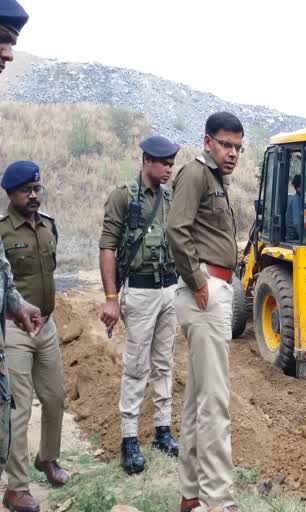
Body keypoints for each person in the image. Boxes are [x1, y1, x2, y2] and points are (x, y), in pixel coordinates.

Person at [168, 112, 242, 512]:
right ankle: (218, 499)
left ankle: (192, 496)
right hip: (206, 292)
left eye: (237, 147)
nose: (232, 153)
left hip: (214, 289)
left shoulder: (217, 179)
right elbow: (175, 229)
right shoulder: (196, 174)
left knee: (198, 400)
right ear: (208, 142)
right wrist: (197, 282)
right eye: (226, 144)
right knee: (215, 402)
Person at [98, 135, 181, 475]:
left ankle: (163, 431)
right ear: (147, 160)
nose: (169, 170)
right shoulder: (123, 197)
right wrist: (111, 298)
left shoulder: (171, 197)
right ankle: (129, 438)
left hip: (169, 290)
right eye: (164, 163)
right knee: (136, 367)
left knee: (164, 364)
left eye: (173, 164)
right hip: (141, 292)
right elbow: (107, 247)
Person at [0, 162, 66, 512]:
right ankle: (17, 487)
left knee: (55, 396)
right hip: (15, 328)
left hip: (48, 325)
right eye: (27, 190)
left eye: (38, 188)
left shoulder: (49, 227)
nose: (35, 195)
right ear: (11, 193)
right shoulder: (2, 232)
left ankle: (48, 459)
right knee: (19, 408)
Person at [285, 174, 302, 240]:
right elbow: (297, 224)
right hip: (293, 238)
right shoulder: (296, 200)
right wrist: (304, 239)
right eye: (304, 184)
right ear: (299, 186)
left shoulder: (297, 198)